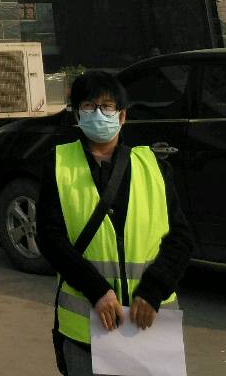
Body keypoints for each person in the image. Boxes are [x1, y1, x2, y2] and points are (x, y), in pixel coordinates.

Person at [36, 68, 193, 376]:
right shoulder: (58, 164)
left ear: (122, 116)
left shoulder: (153, 167)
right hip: (86, 331)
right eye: (89, 106)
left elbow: (181, 238)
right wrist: (97, 290)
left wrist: (154, 289)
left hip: (148, 326)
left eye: (107, 107)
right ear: (77, 115)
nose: (99, 114)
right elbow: (50, 238)